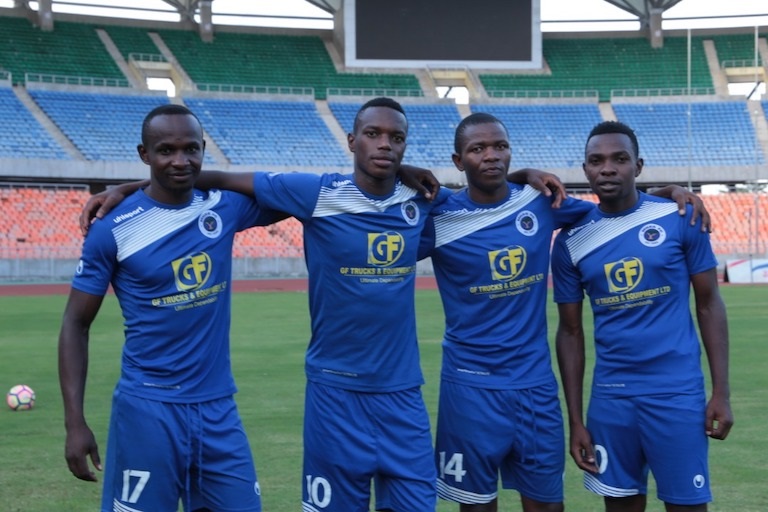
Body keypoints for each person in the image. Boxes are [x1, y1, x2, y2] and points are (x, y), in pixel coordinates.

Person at [78, 98, 568, 511]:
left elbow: (485, 194)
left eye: (395, 138)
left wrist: (521, 174)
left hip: (403, 395)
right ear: (352, 141)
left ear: (405, 145)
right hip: (333, 395)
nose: (384, 144)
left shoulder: (421, 201)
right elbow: (218, 179)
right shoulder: (315, 193)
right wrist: (130, 190)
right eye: (372, 134)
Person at [418, 113, 710, 512]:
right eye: (478, 149)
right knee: (476, 504)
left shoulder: (540, 205)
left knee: (547, 505)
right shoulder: (439, 218)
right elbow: (384, 218)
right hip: (470, 388)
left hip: (536, 387)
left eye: (500, 147)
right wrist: (402, 169)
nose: (491, 155)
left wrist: (667, 193)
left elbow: (614, 209)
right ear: (458, 160)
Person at [58, 104, 285, 512]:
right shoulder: (111, 230)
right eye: (165, 151)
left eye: (191, 149)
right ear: (145, 154)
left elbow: (301, 192)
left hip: (218, 409)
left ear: (203, 150)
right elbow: (76, 324)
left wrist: (398, 173)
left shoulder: (224, 207)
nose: (180, 160)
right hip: (148, 410)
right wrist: (74, 422)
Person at [551, 120, 733, 512]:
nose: (607, 168)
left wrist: (721, 391)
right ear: (585, 170)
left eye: (620, 159)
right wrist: (577, 420)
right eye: (596, 161)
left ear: (639, 165)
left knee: (687, 505)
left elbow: (709, 303)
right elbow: (570, 333)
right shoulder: (570, 242)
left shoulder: (680, 217)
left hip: (677, 394)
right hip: (611, 400)